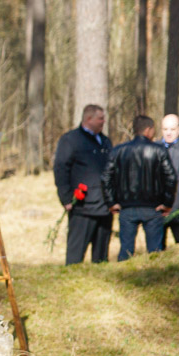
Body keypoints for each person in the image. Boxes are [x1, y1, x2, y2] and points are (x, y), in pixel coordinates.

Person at [101, 115, 177, 260]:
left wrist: (111, 202)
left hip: (126, 207)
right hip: (153, 208)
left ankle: (122, 279)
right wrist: (167, 203)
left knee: (126, 251)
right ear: (148, 130)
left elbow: (105, 177)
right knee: (154, 253)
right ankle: (154, 279)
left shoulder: (119, 151)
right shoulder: (159, 150)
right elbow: (171, 178)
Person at [52, 104, 114, 265]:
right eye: (101, 118)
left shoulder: (105, 141)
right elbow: (61, 169)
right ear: (89, 119)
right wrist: (66, 199)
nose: (104, 121)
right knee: (75, 257)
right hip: (82, 208)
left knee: (101, 259)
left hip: (105, 207)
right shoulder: (70, 140)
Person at [159, 114, 179, 246]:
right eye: (165, 129)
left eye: (172, 130)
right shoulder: (154, 148)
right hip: (158, 210)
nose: (168, 133)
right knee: (157, 252)